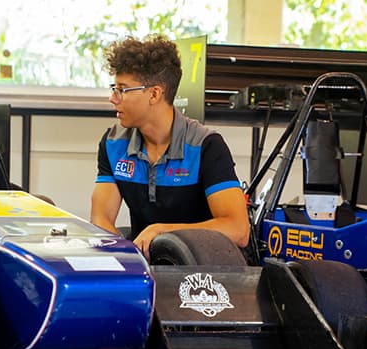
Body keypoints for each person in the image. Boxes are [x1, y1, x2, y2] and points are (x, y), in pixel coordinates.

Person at [90, 35, 250, 258]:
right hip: (148, 267)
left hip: (204, 275)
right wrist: (125, 260)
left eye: (122, 90)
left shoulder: (206, 146)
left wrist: (163, 230)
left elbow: (239, 230)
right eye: (113, 88)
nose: (112, 98)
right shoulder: (113, 143)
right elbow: (101, 220)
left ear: (154, 93)